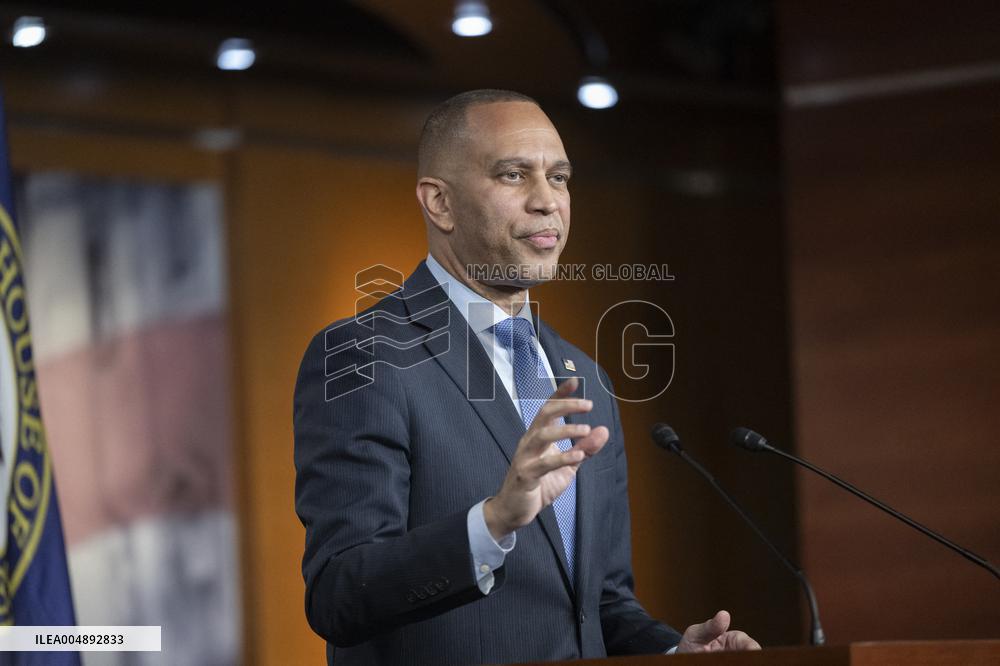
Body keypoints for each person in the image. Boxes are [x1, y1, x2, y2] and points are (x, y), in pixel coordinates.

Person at [293, 89, 760, 665]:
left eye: (560, 178)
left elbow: (599, 604)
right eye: (514, 175)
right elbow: (339, 594)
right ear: (440, 203)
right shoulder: (364, 355)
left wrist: (670, 649)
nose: (548, 202)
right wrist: (491, 523)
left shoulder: (584, 378)